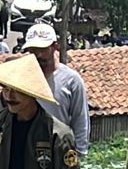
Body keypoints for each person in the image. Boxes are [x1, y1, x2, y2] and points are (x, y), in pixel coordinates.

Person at [21, 23, 91, 156]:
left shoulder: (71, 80)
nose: (38, 55)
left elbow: (80, 119)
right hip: (26, 152)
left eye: (43, 49)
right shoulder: (22, 78)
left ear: (55, 46)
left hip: (59, 151)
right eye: (33, 50)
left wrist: (79, 154)